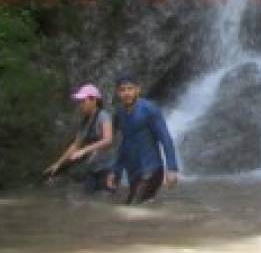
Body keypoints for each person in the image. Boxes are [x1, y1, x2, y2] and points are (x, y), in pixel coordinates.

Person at [107, 75, 180, 204]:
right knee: (132, 206)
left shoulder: (149, 110)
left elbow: (165, 139)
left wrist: (172, 168)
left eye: (130, 89)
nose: (126, 93)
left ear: (138, 90)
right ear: (118, 93)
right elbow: (124, 144)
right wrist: (115, 171)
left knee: (132, 208)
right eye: (122, 90)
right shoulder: (119, 113)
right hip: (134, 172)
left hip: (152, 169)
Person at [43, 84, 117, 194]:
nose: (80, 105)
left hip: (107, 169)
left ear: (94, 100)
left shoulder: (104, 116)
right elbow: (75, 145)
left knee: (105, 198)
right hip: (92, 169)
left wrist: (84, 150)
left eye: (83, 101)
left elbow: (108, 139)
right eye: (79, 101)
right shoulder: (85, 121)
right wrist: (58, 164)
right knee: (89, 201)